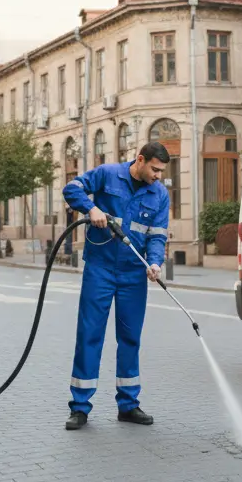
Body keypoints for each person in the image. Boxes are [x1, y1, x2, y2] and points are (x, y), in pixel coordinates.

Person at [61, 142, 170, 431]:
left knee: (130, 338)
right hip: (100, 268)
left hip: (134, 273)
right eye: (155, 169)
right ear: (140, 160)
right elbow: (71, 188)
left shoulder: (159, 194)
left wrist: (156, 263)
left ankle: (128, 405)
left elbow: (157, 234)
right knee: (90, 335)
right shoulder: (108, 175)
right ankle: (80, 408)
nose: (159, 176)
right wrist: (91, 207)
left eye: (161, 171)